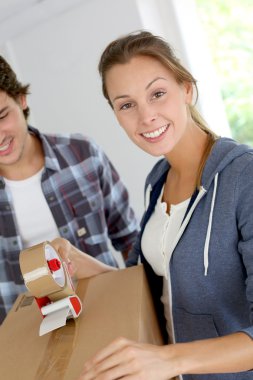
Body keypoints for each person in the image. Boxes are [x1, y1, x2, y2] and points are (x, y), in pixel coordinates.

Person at [63, 30, 253, 379]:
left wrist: (170, 360)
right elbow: (158, 287)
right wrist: (79, 263)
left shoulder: (245, 178)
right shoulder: (157, 181)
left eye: (158, 93)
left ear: (187, 89)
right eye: (127, 104)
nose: (146, 116)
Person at [0, 55, 139, 323]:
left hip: (107, 314)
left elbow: (130, 240)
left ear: (21, 99)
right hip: (26, 343)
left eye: (2, 115)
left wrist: (145, 305)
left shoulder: (83, 154)